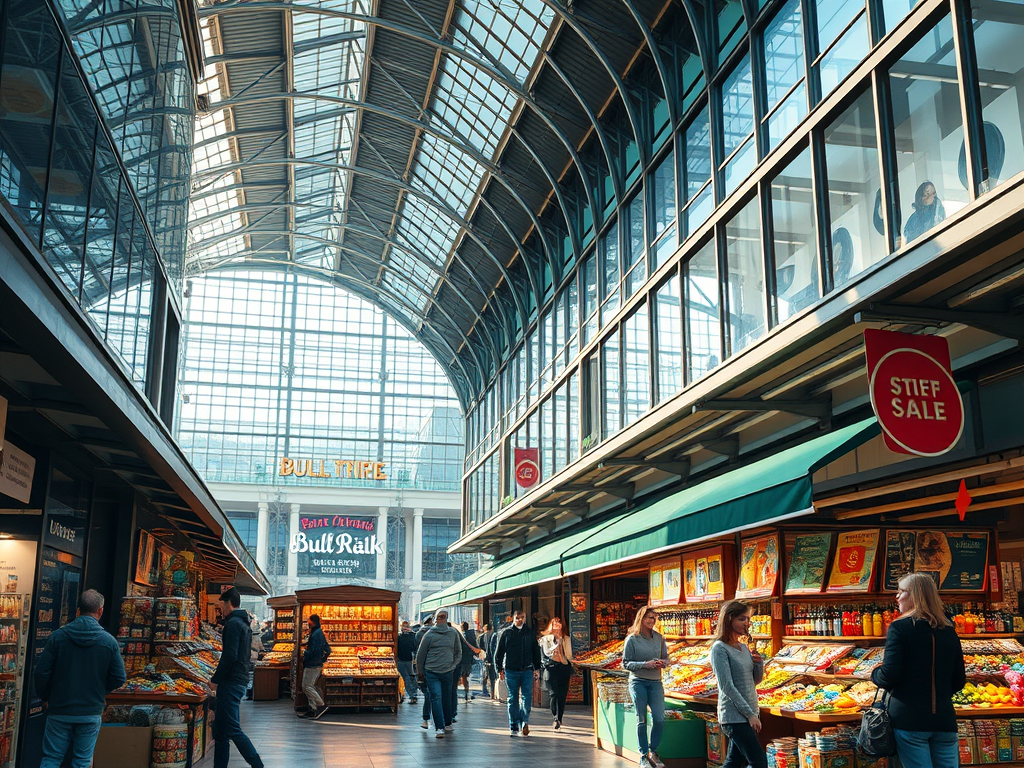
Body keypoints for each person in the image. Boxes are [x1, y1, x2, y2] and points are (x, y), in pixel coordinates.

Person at [871, 573, 966, 768]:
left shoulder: (899, 628)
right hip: (945, 720)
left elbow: (889, 675)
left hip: (908, 719)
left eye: (901, 591)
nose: (897, 597)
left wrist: (874, 674)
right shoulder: (949, 630)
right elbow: (959, 681)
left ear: (914, 595)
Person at [34, 589, 126, 768]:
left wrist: (46, 697)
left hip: (60, 708)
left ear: (78, 611)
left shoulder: (57, 637)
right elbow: (119, 677)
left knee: (52, 758)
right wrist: (100, 690)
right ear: (100, 611)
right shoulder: (109, 642)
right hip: (90, 710)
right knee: (82, 760)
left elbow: (41, 673)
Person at [211, 587, 264, 768]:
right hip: (237, 679)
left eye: (222, 606)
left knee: (233, 729)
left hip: (231, 681)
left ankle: (257, 764)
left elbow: (229, 656)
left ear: (230, 603)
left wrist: (215, 679)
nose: (221, 610)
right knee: (220, 732)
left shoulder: (233, 624)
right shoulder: (243, 623)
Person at [709, 600, 765, 768]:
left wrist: (759, 664)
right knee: (759, 762)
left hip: (749, 711)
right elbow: (726, 686)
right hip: (734, 716)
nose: (747, 623)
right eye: (742, 619)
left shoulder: (743, 647)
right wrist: (750, 714)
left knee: (733, 762)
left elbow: (753, 681)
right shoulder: (719, 648)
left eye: (748, 619)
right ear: (729, 619)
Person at [623, 606, 671, 768]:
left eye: (654, 618)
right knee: (641, 718)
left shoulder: (659, 638)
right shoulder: (632, 639)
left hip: (656, 682)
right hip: (638, 682)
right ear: (641, 618)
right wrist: (645, 664)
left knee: (659, 718)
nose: (652, 621)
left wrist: (663, 663)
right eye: (649, 617)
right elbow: (626, 663)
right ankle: (643, 755)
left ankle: (653, 750)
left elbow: (666, 658)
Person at [494, 609, 542, 737]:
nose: (520, 620)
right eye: (518, 618)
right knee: (513, 698)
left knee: (527, 697)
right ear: (513, 618)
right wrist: (499, 669)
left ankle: (524, 721)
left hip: (527, 669)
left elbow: (535, 651)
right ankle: (514, 725)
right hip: (511, 670)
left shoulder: (529, 633)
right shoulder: (507, 633)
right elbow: (499, 652)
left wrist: (537, 668)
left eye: (522, 617)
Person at [416, 609, 462, 738]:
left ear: (447, 618)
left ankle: (447, 722)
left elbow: (458, 652)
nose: (442, 618)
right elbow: (420, 655)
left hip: (447, 671)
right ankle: (439, 727)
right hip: (432, 672)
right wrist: (420, 671)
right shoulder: (429, 635)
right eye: (440, 616)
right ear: (436, 619)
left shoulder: (453, 633)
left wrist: (453, 665)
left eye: (444, 616)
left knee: (446, 697)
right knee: (436, 697)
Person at [539, 617, 574, 730]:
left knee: (562, 695)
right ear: (551, 627)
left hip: (564, 667)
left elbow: (569, 655)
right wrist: (556, 644)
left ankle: (560, 718)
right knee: (554, 693)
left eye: (559, 625)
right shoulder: (545, 639)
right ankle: (555, 717)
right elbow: (547, 652)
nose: (557, 627)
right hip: (551, 668)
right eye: (555, 625)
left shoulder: (566, 639)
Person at [299, 613, 331, 719]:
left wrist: (305, 653)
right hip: (317, 663)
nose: (307, 623)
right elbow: (327, 649)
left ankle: (320, 705)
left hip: (312, 664)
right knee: (310, 686)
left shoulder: (316, 634)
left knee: (306, 686)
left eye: (309, 621)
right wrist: (323, 659)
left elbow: (313, 650)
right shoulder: (319, 633)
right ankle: (312, 709)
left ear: (312, 622)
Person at [416, 615, 434, 727]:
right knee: (436, 695)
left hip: (423, 667)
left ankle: (426, 718)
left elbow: (417, 652)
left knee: (428, 694)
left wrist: (419, 670)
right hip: (436, 667)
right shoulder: (435, 634)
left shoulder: (419, 634)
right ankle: (441, 721)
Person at [458, 621, 481, 703]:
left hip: (462, 659)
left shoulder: (462, 636)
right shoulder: (472, 636)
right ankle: (466, 690)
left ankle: (466, 691)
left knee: (463, 676)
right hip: (469, 659)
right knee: (465, 676)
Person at [397, 620, 418, 704]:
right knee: (406, 677)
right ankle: (407, 695)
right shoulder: (400, 636)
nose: (405, 628)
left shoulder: (411, 636)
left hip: (407, 659)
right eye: (403, 626)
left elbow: (414, 647)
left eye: (406, 626)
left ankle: (412, 695)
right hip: (402, 659)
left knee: (408, 677)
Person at [478, 623, 494, 696]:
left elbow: (479, 648)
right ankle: (493, 692)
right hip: (492, 658)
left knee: (485, 675)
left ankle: (485, 690)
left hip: (484, 658)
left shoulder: (481, 637)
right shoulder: (494, 636)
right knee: (492, 676)